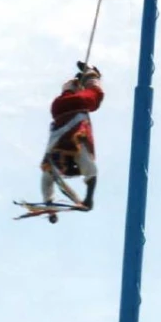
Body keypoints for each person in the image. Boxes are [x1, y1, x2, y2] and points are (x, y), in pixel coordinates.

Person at [40, 61, 104, 223]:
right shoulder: (54, 162)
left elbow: (91, 170)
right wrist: (50, 208)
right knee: (79, 94)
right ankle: (83, 78)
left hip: (68, 107)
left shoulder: (71, 153)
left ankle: (91, 74)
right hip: (60, 108)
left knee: (94, 94)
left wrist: (89, 199)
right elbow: (46, 182)